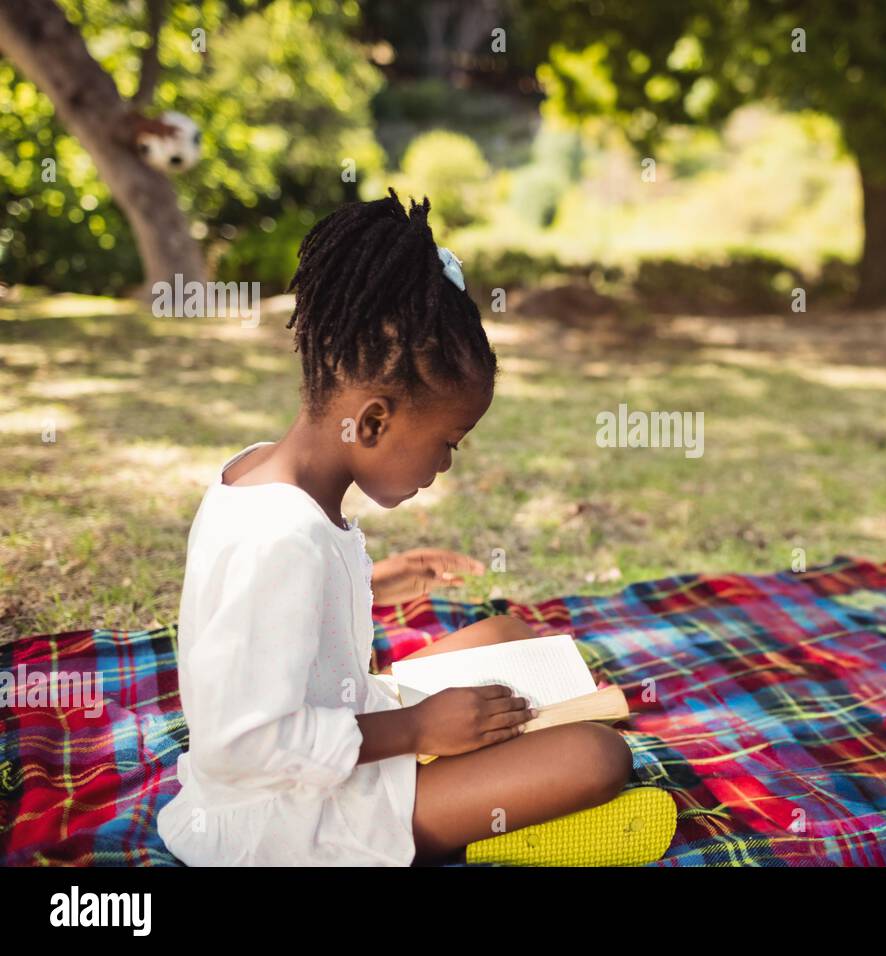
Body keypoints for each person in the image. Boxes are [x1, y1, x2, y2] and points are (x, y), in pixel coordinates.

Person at [156, 190, 657, 866]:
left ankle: (478, 777)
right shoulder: (280, 539)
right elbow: (239, 745)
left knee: (507, 633)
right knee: (597, 754)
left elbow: (285, 613)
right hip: (288, 814)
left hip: (340, 731)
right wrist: (418, 727)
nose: (448, 462)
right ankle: (492, 831)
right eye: (449, 440)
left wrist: (377, 579)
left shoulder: (260, 472)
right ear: (372, 422)